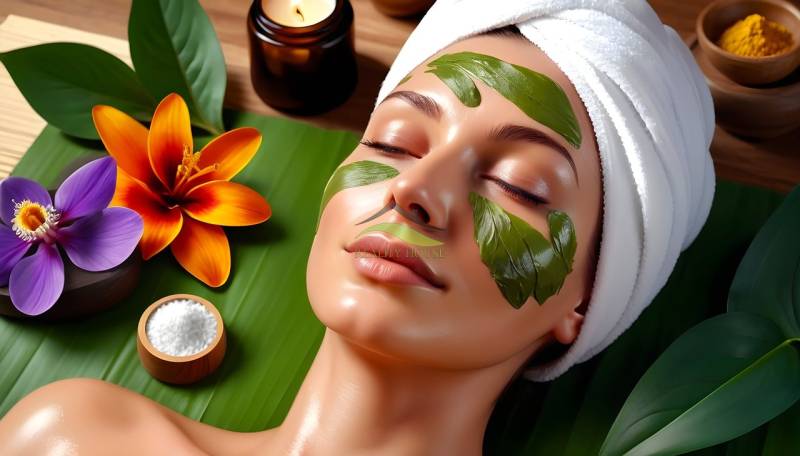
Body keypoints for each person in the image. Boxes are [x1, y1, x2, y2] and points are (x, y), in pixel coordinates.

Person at [0, 1, 714, 454]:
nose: (415, 190)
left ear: (586, 299)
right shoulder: (72, 440)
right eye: (395, 142)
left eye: (519, 185)